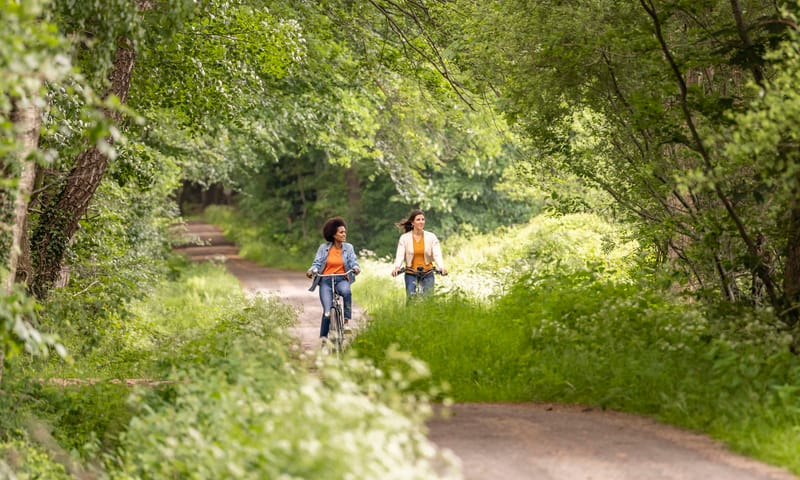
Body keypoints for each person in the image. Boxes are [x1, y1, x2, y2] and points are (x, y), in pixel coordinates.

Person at [307, 217, 360, 343]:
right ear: (333, 235)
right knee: (327, 312)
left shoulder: (348, 248)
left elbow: (353, 261)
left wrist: (356, 268)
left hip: (342, 279)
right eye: (341, 232)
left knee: (347, 292)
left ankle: (346, 322)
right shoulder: (323, 248)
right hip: (325, 281)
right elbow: (317, 263)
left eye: (344, 232)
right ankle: (324, 341)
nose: (344, 234)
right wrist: (311, 270)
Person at [391, 209, 447, 297]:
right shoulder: (405, 238)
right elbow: (400, 255)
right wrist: (397, 267)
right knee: (411, 298)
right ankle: (410, 310)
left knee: (428, 300)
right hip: (411, 272)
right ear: (412, 223)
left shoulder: (431, 237)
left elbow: (437, 254)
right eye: (418, 219)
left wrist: (441, 267)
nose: (421, 222)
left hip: (427, 272)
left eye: (423, 219)